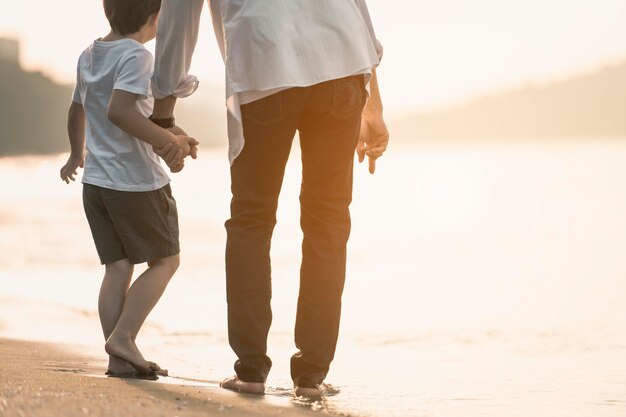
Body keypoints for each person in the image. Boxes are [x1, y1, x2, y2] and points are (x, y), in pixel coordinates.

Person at [150, 0, 389, 397]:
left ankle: (250, 371)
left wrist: (163, 108)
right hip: (342, 62)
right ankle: (311, 378)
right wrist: (373, 103)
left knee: (251, 219)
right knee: (328, 221)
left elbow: (179, 12)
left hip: (264, 61)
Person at [59, 0, 198, 379]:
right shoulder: (138, 56)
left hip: (98, 184)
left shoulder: (90, 54)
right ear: (155, 18)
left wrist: (76, 154)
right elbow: (120, 111)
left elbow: (78, 110)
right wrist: (168, 142)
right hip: (134, 182)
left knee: (118, 268)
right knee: (166, 261)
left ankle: (118, 357)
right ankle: (124, 338)